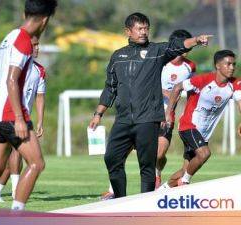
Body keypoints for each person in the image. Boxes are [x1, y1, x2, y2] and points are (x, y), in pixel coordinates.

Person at [89, 12, 212, 198]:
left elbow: (176, 46)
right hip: (123, 120)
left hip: (148, 119)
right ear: (128, 31)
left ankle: (144, 206)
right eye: (139, 28)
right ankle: (119, 200)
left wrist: (196, 40)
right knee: (112, 158)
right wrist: (98, 113)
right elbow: (110, 87)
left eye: (146, 28)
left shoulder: (156, 51)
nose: (144, 32)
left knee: (147, 166)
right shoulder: (117, 56)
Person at [0, 0, 57, 210]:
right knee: (36, 163)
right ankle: (17, 214)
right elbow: (11, 80)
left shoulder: (10, 36)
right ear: (45, 20)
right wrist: (19, 117)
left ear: (25, 13)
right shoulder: (24, 40)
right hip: (9, 113)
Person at [160, 50, 241, 188]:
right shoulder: (202, 80)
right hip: (188, 125)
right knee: (204, 153)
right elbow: (178, 87)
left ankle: (162, 190)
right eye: (228, 64)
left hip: (203, 133)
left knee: (186, 169)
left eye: (233, 64)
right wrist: (168, 112)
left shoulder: (235, 83)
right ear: (217, 65)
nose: (232, 67)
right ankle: (185, 183)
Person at [0, 35, 46, 203]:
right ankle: (16, 193)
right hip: (7, 117)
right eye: (34, 45)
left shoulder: (40, 71)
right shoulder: (12, 69)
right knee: (16, 156)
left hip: (24, 118)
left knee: (14, 158)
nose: (37, 48)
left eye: (38, 45)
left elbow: (40, 97)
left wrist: (40, 121)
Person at [155, 29, 196, 188]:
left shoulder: (190, 66)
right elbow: (147, 83)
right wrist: (164, 91)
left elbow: (191, 88)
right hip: (150, 112)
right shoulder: (161, 62)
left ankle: (157, 173)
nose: (190, 47)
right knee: (147, 153)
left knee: (159, 154)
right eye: (187, 44)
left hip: (168, 115)